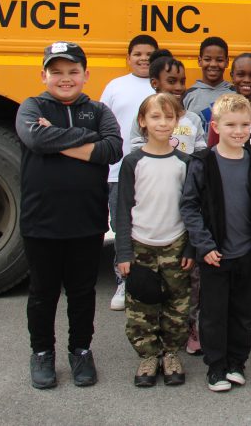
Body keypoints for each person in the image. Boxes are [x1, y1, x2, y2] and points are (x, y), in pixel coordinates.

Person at [17, 41, 123, 390]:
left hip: (86, 221)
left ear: (85, 74)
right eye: (57, 72)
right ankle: (42, 353)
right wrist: (85, 140)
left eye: (73, 71)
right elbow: (35, 141)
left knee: (82, 293)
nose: (65, 78)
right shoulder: (31, 106)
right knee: (43, 293)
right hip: (41, 221)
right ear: (43, 74)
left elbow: (111, 148)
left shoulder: (98, 110)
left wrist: (58, 137)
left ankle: (81, 350)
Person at [179, 93, 251, 392]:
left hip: (248, 253)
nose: (238, 131)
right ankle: (216, 366)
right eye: (231, 124)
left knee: (242, 311)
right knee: (213, 312)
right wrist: (205, 246)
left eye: (244, 124)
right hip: (215, 254)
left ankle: (237, 362)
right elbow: (190, 207)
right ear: (216, 126)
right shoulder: (203, 163)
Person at [114, 93, 194, 387]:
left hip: (175, 244)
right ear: (142, 121)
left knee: (178, 305)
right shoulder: (133, 162)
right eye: (156, 117)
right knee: (141, 307)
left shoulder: (186, 163)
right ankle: (148, 355)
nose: (163, 123)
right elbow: (122, 209)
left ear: (177, 121)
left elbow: (193, 210)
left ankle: (171, 353)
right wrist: (124, 252)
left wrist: (191, 248)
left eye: (169, 117)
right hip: (140, 246)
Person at [101, 34, 158, 312]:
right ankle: (123, 280)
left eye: (149, 54)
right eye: (138, 53)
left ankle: (152, 280)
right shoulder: (115, 86)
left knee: (151, 225)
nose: (143, 58)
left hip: (155, 170)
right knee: (122, 225)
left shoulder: (160, 86)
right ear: (128, 57)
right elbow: (104, 124)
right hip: (118, 169)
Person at [205, 54, 251, 153]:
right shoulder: (220, 111)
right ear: (232, 76)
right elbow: (212, 149)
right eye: (241, 74)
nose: (246, 80)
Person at [183, 37, 234, 116]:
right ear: (200, 61)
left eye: (219, 60)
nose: (213, 64)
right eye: (207, 59)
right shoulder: (189, 95)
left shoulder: (236, 94)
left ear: (227, 62)